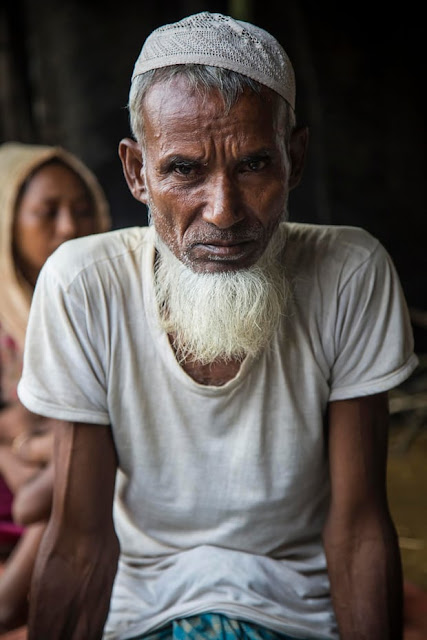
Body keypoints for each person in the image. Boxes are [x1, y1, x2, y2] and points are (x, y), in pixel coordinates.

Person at [17, 11, 419, 640]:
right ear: (136, 172)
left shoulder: (350, 271)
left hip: (299, 607)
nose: (224, 210)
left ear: (296, 157)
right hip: (146, 607)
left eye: (255, 165)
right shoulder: (82, 284)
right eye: (184, 169)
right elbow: (79, 540)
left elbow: (360, 524)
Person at [0, 141, 110, 633]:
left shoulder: (109, 312)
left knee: (77, 493)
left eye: (83, 209)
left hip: (62, 509)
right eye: (48, 212)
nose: (69, 227)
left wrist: (26, 440)